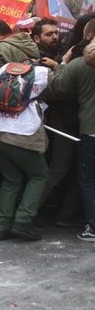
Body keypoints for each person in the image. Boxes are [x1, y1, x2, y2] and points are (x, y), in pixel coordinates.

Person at [0, 63, 50, 241]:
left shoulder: (3, 72)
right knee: (39, 175)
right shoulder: (40, 74)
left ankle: (1, 226)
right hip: (23, 134)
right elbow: (59, 86)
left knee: (11, 180)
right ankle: (23, 220)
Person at [50, 44, 95, 243]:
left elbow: (58, 88)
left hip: (91, 128)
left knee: (88, 179)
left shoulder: (80, 64)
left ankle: (92, 226)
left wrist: (62, 64)